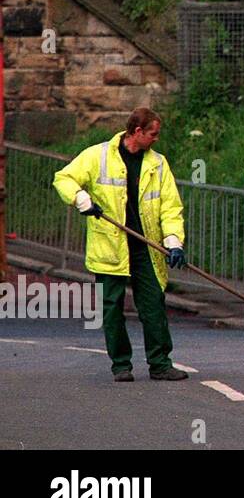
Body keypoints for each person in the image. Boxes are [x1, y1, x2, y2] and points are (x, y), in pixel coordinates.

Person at [52, 107, 188, 382]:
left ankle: (160, 363)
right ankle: (121, 365)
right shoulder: (98, 155)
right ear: (137, 132)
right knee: (112, 308)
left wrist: (174, 242)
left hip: (145, 247)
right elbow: (63, 178)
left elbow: (170, 208)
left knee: (153, 305)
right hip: (110, 247)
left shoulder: (158, 164)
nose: (156, 139)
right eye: (153, 134)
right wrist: (82, 200)